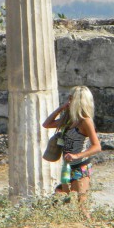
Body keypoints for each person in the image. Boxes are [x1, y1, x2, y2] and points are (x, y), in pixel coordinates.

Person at [43, 85, 101, 220]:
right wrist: (61, 108)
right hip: (67, 166)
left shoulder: (85, 121)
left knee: (81, 204)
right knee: (67, 200)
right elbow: (47, 124)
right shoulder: (68, 120)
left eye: (72, 98)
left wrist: (77, 155)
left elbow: (96, 146)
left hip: (81, 166)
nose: (69, 100)